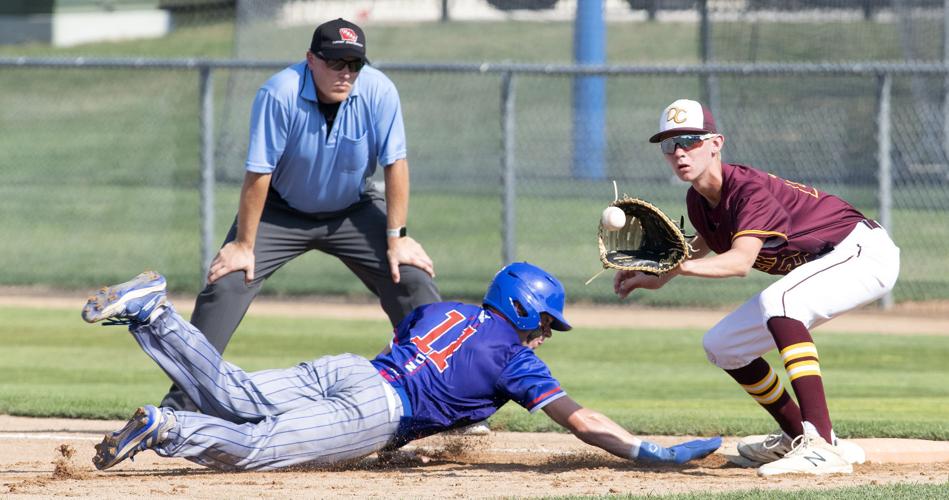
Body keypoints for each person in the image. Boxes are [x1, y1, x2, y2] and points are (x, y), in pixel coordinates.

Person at [81, 264, 721, 472]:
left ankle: (153, 315)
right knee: (258, 446)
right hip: (377, 409)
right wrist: (642, 450)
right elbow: (581, 421)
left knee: (235, 389)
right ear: (525, 313)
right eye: (546, 322)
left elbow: (416, 341)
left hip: (350, 369)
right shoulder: (512, 358)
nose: (546, 333)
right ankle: (168, 429)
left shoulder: (447, 312)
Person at [161, 18, 441, 412]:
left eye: (354, 64)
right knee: (225, 285)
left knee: (411, 277)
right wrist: (243, 244)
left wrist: (398, 237)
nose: (346, 72)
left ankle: (441, 395)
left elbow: (396, 163)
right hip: (281, 210)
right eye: (335, 62)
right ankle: (181, 405)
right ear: (311, 59)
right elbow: (259, 172)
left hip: (353, 210)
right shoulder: (280, 93)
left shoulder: (378, 90)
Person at [614, 99, 900, 477]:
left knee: (782, 301)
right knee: (723, 345)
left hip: (862, 252)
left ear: (716, 143)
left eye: (690, 140)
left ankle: (821, 443)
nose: (680, 151)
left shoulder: (748, 191)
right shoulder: (699, 199)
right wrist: (660, 274)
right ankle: (797, 435)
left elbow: (739, 262)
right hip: (830, 261)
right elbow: (708, 239)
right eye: (670, 145)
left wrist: (677, 268)